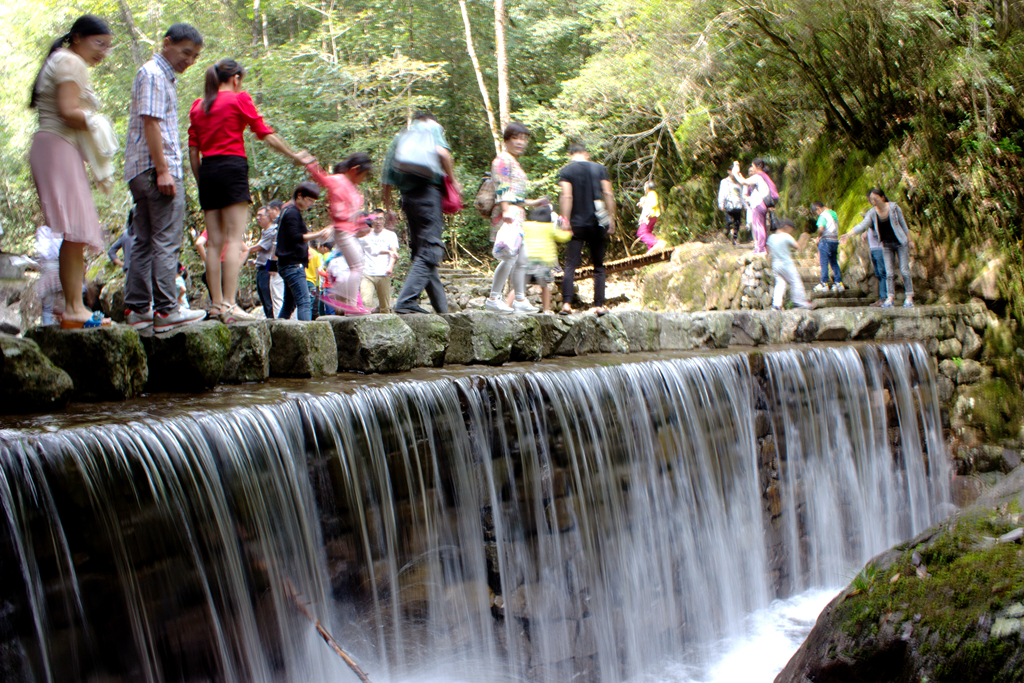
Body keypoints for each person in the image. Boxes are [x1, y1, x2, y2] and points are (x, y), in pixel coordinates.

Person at [188, 59, 309, 324]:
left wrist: (202, 182)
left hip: (208, 171)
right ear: (236, 78)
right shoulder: (238, 99)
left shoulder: (198, 106)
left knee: (214, 242)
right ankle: (230, 305)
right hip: (232, 168)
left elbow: (193, 150)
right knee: (233, 239)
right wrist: (293, 155)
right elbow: (264, 133)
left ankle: (217, 305)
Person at [28, 15, 114, 328]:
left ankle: (72, 307)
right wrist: (97, 122)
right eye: (99, 43)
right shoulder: (70, 61)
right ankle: (75, 307)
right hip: (57, 145)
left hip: (53, 146)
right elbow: (67, 111)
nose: (103, 52)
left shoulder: (60, 59)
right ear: (77, 37)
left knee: (74, 232)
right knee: (76, 230)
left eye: (108, 47)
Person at [123, 23, 207, 333]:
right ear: (167, 43)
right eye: (186, 52)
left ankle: (138, 309)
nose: (190, 60)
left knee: (144, 240)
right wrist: (163, 170)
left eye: (195, 56)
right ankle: (167, 310)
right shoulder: (155, 74)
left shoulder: (154, 75)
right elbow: (152, 124)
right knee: (165, 240)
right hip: (157, 170)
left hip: (139, 170)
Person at [383, 112, 462, 314]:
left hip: (408, 199)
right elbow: (443, 154)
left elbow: (386, 178)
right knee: (431, 249)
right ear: (429, 120)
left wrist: (389, 209)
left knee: (422, 252)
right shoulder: (431, 128)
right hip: (428, 194)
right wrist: (453, 180)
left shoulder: (400, 139)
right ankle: (406, 302)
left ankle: (443, 311)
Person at [485, 122, 548, 314]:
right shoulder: (503, 160)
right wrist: (506, 211)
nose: (520, 142)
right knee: (509, 258)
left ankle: (520, 299)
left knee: (522, 259)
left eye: (523, 139)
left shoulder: (513, 161)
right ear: (506, 140)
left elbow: (516, 195)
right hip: (509, 215)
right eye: (516, 138)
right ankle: (494, 298)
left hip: (517, 214)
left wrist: (535, 202)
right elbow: (502, 187)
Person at [304, 152, 374, 315]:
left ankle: (347, 301)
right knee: (357, 266)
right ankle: (349, 304)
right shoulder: (339, 180)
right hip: (342, 231)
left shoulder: (353, 190)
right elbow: (322, 178)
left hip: (349, 232)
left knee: (356, 266)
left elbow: (355, 215)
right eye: (363, 175)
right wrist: (310, 163)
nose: (363, 179)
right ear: (355, 170)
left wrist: (364, 222)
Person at [558, 143, 616, 316]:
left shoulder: (567, 171)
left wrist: (565, 220)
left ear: (571, 155)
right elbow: (608, 194)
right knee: (599, 266)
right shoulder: (599, 169)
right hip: (598, 222)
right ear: (586, 153)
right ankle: (599, 305)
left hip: (576, 223)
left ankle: (566, 304)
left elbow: (567, 195)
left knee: (570, 265)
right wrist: (610, 217)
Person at [841, 188, 914, 308]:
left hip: (901, 243)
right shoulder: (872, 213)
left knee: (904, 270)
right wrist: (848, 234)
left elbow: (904, 225)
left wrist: (910, 240)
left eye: (875, 198)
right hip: (886, 245)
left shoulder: (894, 208)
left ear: (882, 197)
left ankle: (909, 297)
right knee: (889, 273)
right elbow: (862, 225)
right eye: (871, 199)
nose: (873, 201)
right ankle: (890, 298)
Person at [276, 182, 330, 320]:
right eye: (309, 200)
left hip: (287, 264)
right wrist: (319, 234)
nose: (310, 204)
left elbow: (297, 234)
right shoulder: (292, 212)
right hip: (293, 265)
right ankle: (306, 339)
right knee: (305, 302)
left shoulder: (288, 210)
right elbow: (296, 237)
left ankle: (278, 333)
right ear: (299, 196)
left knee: (289, 304)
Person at [506, 206, 572, 314]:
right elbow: (562, 237)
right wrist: (568, 231)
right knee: (544, 286)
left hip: (527, 260)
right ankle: (546, 310)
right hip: (543, 261)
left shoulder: (526, 225)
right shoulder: (548, 227)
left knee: (519, 286)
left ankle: (507, 306)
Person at [731, 158, 777, 255]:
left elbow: (743, 182)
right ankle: (762, 247)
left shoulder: (758, 176)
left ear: (758, 166)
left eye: (753, 166)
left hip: (758, 204)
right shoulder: (764, 176)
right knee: (761, 226)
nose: (752, 168)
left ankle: (760, 248)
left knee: (758, 226)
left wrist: (735, 173)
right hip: (763, 204)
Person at [767, 218, 813, 310]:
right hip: (786, 264)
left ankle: (776, 305)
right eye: (792, 229)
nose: (792, 232)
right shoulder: (786, 236)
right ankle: (799, 301)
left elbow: (768, 251)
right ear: (787, 227)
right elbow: (798, 246)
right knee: (796, 281)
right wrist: (803, 237)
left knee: (780, 283)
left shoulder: (771, 237)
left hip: (776, 265)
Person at [360, 211, 399, 313]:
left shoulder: (390, 235)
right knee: (365, 302)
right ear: (371, 220)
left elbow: (393, 252)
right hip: (367, 273)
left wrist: (390, 267)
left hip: (383, 273)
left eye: (380, 219)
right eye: (375, 218)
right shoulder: (365, 233)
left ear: (384, 220)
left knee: (385, 306)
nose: (378, 221)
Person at [249, 206, 277, 318]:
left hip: (268, 270)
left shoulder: (273, 231)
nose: (258, 218)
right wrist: (256, 261)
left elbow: (258, 248)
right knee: (264, 300)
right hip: (261, 269)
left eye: (260, 215)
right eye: (257, 215)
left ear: (269, 216)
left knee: (269, 300)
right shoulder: (265, 232)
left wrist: (240, 250)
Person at [810, 201, 844, 294]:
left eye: (816, 212)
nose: (817, 214)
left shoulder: (823, 216)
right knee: (833, 262)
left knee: (824, 262)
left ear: (818, 208)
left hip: (825, 241)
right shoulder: (833, 213)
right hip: (834, 240)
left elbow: (821, 228)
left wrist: (818, 237)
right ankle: (838, 283)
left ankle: (824, 284)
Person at [35, 225, 63, 325]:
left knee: (47, 307)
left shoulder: (43, 231)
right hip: (60, 272)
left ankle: (49, 328)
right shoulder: (62, 231)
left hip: (49, 273)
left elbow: (43, 253)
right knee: (59, 305)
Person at [636, 181, 666, 252]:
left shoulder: (652, 193)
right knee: (648, 232)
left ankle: (657, 242)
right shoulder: (650, 194)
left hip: (650, 216)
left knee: (641, 233)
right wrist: (642, 204)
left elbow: (654, 203)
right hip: (651, 216)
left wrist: (645, 203)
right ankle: (652, 248)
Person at [717, 172, 745, 245]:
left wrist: (744, 204)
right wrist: (721, 204)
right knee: (729, 222)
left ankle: (734, 238)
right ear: (729, 171)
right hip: (728, 204)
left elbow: (741, 194)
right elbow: (721, 193)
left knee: (737, 223)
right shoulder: (724, 181)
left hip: (738, 205)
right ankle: (727, 234)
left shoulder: (739, 182)